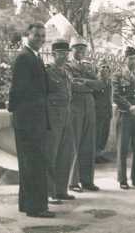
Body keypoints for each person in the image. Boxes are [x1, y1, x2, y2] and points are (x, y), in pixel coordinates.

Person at [8, 23, 54, 218]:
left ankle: (27, 204)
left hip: (33, 119)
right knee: (33, 163)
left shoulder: (33, 57)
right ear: (27, 35)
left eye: (43, 36)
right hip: (29, 121)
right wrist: (17, 115)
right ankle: (36, 208)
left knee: (30, 163)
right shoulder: (24, 58)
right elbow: (17, 90)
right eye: (36, 36)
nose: (40, 39)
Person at [45, 39, 76, 204]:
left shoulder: (66, 72)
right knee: (51, 155)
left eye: (66, 53)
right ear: (53, 54)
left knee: (66, 153)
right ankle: (49, 193)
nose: (64, 56)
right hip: (52, 119)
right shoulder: (48, 72)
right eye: (61, 53)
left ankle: (61, 190)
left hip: (66, 117)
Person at [66, 38, 99, 192]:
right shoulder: (67, 66)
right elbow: (72, 85)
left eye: (82, 49)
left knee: (88, 143)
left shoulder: (89, 66)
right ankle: (73, 182)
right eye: (77, 49)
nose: (80, 52)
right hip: (75, 106)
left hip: (89, 105)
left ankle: (87, 180)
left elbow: (99, 85)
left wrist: (85, 83)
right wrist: (89, 84)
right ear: (71, 50)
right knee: (74, 143)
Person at [112, 46, 135, 189]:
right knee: (123, 147)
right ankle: (122, 179)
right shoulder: (118, 75)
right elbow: (116, 95)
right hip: (124, 115)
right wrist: (129, 107)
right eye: (131, 58)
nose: (134, 61)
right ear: (124, 59)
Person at [94, 60, 113, 163]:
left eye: (107, 67)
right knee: (97, 135)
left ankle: (100, 154)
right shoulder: (96, 82)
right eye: (102, 67)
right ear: (98, 69)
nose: (105, 69)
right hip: (98, 113)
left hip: (107, 113)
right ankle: (95, 156)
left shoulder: (109, 83)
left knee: (104, 135)